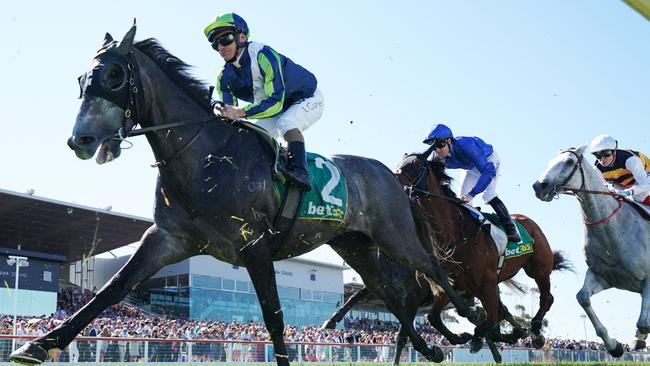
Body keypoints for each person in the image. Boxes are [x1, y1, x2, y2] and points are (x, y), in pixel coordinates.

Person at [204, 13, 324, 191]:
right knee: (249, 139)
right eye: (215, 44)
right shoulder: (224, 78)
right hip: (275, 109)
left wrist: (240, 112)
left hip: (306, 97)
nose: (221, 47)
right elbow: (231, 117)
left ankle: (300, 172)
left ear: (242, 37)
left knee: (287, 122)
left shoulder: (263, 55)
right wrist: (223, 112)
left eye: (226, 39)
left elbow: (275, 101)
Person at [423, 123, 521, 242]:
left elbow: (488, 172)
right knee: (462, 200)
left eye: (440, 144)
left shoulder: (467, 146)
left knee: (488, 195)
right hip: (472, 168)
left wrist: (472, 194)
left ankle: (511, 229)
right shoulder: (439, 156)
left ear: (449, 140)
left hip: (489, 162)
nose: (437, 150)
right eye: (433, 146)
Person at [589, 134, 650, 205]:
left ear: (614, 151)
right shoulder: (597, 169)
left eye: (606, 154)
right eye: (597, 155)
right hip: (622, 180)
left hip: (645, 171)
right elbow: (600, 188)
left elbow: (646, 184)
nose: (602, 159)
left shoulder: (630, 160)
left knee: (639, 197)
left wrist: (629, 191)